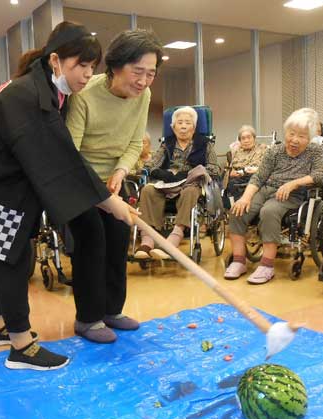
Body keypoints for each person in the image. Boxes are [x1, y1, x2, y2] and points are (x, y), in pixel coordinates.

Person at [0, 22, 135, 370]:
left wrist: (104, 199)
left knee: (5, 251)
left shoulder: (48, 90)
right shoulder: (29, 96)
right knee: (11, 256)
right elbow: (61, 160)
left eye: (91, 67)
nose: (87, 74)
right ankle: (21, 346)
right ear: (56, 61)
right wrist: (108, 201)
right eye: (80, 66)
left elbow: (58, 155)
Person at [65, 29, 163, 343]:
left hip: (113, 180)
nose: (144, 81)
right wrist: (97, 191)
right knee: (92, 236)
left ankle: (111, 311)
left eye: (151, 74)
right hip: (79, 179)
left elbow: (135, 141)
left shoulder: (143, 95)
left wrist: (121, 170)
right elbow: (70, 151)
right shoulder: (84, 94)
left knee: (119, 235)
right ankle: (87, 319)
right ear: (116, 66)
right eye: (138, 72)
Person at [225, 108, 323, 284]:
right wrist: (245, 198)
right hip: (267, 189)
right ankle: (239, 261)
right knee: (237, 210)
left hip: (293, 194)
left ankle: (267, 265)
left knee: (269, 212)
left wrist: (294, 183)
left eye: (301, 136)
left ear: (309, 139)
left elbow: (318, 175)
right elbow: (259, 177)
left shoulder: (314, 151)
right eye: (291, 133)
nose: (294, 140)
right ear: (286, 132)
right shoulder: (274, 151)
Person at [134, 106, 219, 260]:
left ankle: (174, 239)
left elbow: (214, 168)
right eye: (179, 122)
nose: (184, 126)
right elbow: (150, 165)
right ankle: (147, 240)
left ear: (194, 127)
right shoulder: (167, 144)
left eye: (188, 122)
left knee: (190, 191)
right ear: (173, 128)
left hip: (191, 184)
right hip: (167, 183)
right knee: (147, 190)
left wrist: (190, 173)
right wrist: (162, 173)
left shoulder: (205, 144)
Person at [225, 125, 266, 203]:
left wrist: (255, 170)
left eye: (249, 137)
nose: (246, 140)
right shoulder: (236, 151)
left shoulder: (263, 148)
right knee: (232, 184)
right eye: (243, 138)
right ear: (240, 141)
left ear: (254, 138)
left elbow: (268, 167)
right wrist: (230, 173)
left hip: (255, 179)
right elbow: (229, 170)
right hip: (237, 182)